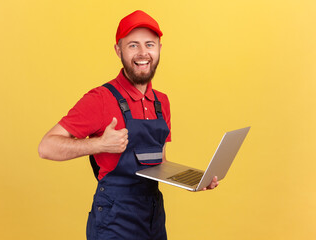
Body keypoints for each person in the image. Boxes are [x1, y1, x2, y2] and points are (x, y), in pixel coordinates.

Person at [38, 10, 219, 240]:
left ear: (159, 49)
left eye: (149, 45)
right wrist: (99, 144)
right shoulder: (101, 99)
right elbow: (46, 147)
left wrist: (193, 180)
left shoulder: (161, 102)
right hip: (115, 219)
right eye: (133, 45)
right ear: (118, 50)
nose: (143, 53)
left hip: (153, 217)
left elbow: (159, 162)